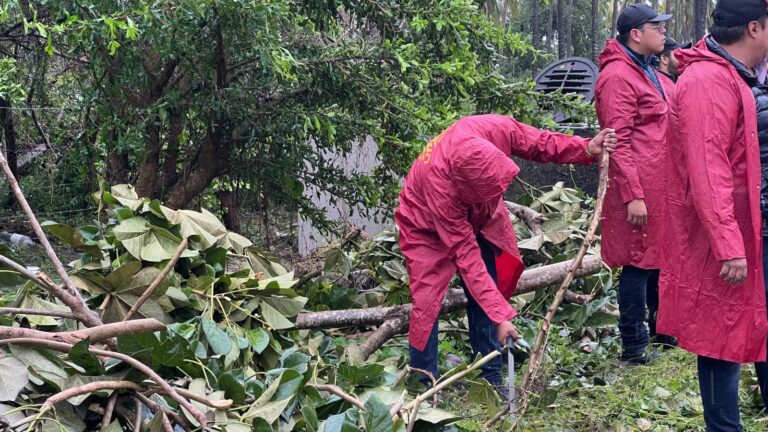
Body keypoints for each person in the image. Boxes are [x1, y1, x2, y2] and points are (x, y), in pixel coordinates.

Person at [394, 114, 616, 388]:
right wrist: (502, 317)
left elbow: (538, 142)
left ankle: (490, 376)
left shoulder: (493, 129)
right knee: (427, 301)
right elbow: (466, 256)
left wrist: (584, 148)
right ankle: (424, 385)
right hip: (424, 222)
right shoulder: (441, 187)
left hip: (481, 211)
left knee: (492, 277)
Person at [657, 0, 768, 430]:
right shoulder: (707, 80)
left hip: (751, 227)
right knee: (721, 336)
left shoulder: (737, 75)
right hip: (727, 236)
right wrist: (728, 245)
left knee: (755, 324)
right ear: (754, 29)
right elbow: (708, 170)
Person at [594, 3, 673, 364]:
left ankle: (662, 331)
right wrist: (633, 196)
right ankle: (634, 348)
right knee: (638, 263)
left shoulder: (646, 70)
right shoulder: (617, 77)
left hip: (658, 183)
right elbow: (618, 141)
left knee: (656, 259)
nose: (663, 32)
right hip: (638, 186)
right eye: (656, 27)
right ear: (636, 34)